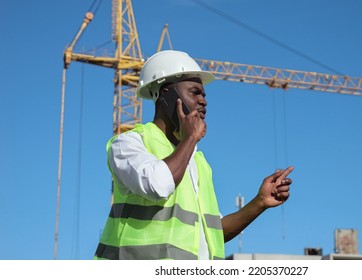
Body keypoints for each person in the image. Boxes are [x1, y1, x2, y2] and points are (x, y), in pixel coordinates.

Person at [94, 50, 294, 260]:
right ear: (167, 93)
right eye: (195, 92)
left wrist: (259, 202)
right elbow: (158, 184)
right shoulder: (129, 144)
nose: (204, 101)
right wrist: (190, 139)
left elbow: (213, 233)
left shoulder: (197, 161)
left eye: (204, 95)